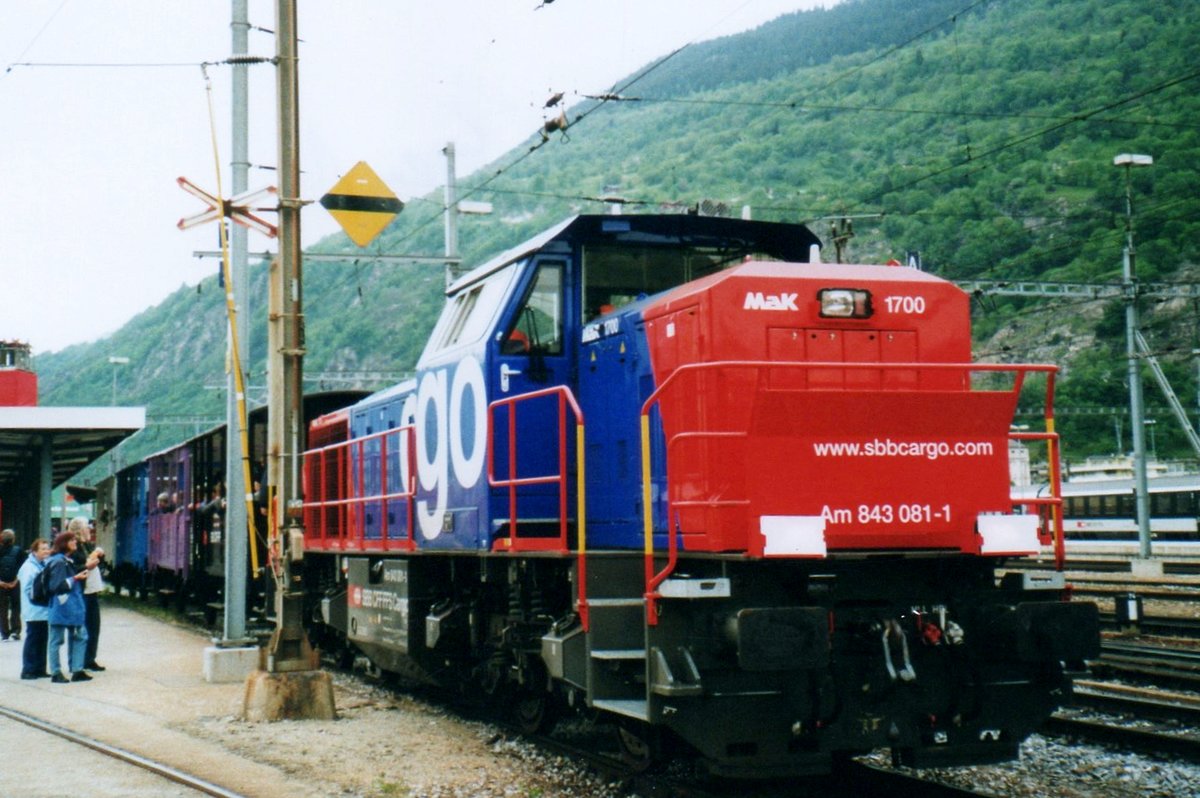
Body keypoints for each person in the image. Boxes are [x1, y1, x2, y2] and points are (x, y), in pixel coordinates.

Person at [45, 530, 90, 683]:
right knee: (57, 639)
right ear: (65, 543)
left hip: (70, 606)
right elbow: (56, 585)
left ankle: (77, 669)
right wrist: (76, 578)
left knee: (79, 636)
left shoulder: (64, 560)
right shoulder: (58, 562)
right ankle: (56, 672)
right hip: (62, 605)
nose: (75, 543)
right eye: (72, 540)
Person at [66, 517, 105, 671]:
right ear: (79, 530)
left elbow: (94, 563)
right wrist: (87, 565)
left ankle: (90, 658)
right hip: (82, 592)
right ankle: (79, 661)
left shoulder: (87, 545)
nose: (89, 530)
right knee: (81, 627)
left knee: (94, 626)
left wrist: (99, 556)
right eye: (87, 528)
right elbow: (73, 567)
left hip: (92, 591)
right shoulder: (74, 548)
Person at [17, 538, 51, 679]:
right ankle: (28, 669)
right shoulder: (29, 567)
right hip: (34, 609)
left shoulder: (42, 565)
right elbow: (27, 589)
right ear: (34, 551)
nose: (46, 551)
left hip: (43, 609)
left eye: (47, 548)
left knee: (43, 639)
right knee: (33, 639)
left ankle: (40, 668)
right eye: (42, 549)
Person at [0, 528, 22, 640]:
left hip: (1, 584)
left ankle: (4, 632)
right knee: (16, 606)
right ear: (13, 539)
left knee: (2, 608)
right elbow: (22, 567)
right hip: (15, 582)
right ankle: (16, 630)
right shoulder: (18, 550)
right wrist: (15, 581)